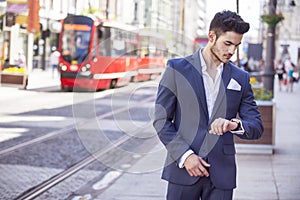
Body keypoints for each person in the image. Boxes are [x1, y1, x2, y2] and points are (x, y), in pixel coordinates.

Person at [153, 10, 264, 200]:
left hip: (222, 175)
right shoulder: (176, 69)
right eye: (227, 43)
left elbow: (256, 127)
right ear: (211, 36)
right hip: (183, 172)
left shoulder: (241, 78)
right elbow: (161, 120)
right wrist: (185, 156)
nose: (231, 51)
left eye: (236, 45)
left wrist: (234, 125)